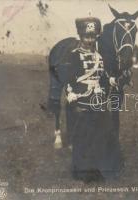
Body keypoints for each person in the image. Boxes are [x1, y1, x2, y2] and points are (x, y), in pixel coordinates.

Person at [47, 17, 122, 182]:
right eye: (86, 36)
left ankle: (104, 170)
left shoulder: (99, 57)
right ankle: (84, 172)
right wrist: (70, 93)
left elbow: (101, 77)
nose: (90, 40)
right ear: (81, 36)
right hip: (81, 100)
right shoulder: (74, 56)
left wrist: (108, 80)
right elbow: (67, 79)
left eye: (93, 36)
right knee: (83, 137)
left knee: (102, 134)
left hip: (98, 100)